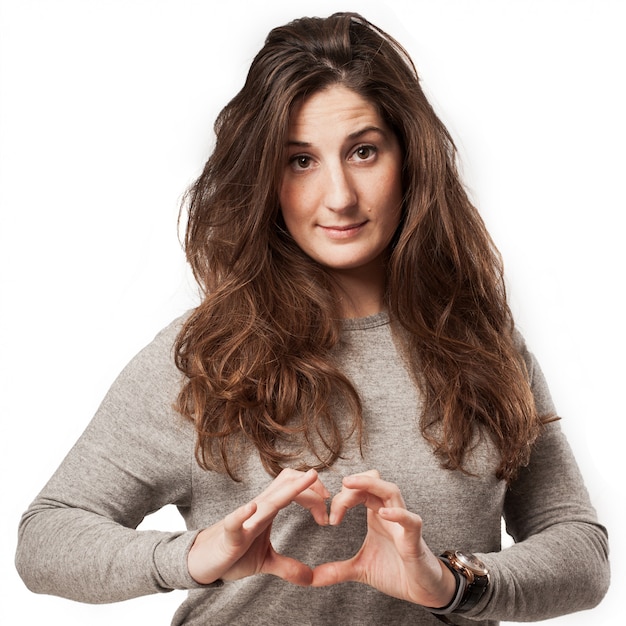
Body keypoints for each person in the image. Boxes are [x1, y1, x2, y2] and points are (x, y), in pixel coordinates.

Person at [15, 12, 609, 625]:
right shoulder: (205, 357)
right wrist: (192, 556)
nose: (340, 196)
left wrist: (453, 581)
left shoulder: (483, 344)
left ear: (409, 159)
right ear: (265, 178)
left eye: (363, 151)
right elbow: (47, 537)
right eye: (300, 161)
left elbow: (580, 551)